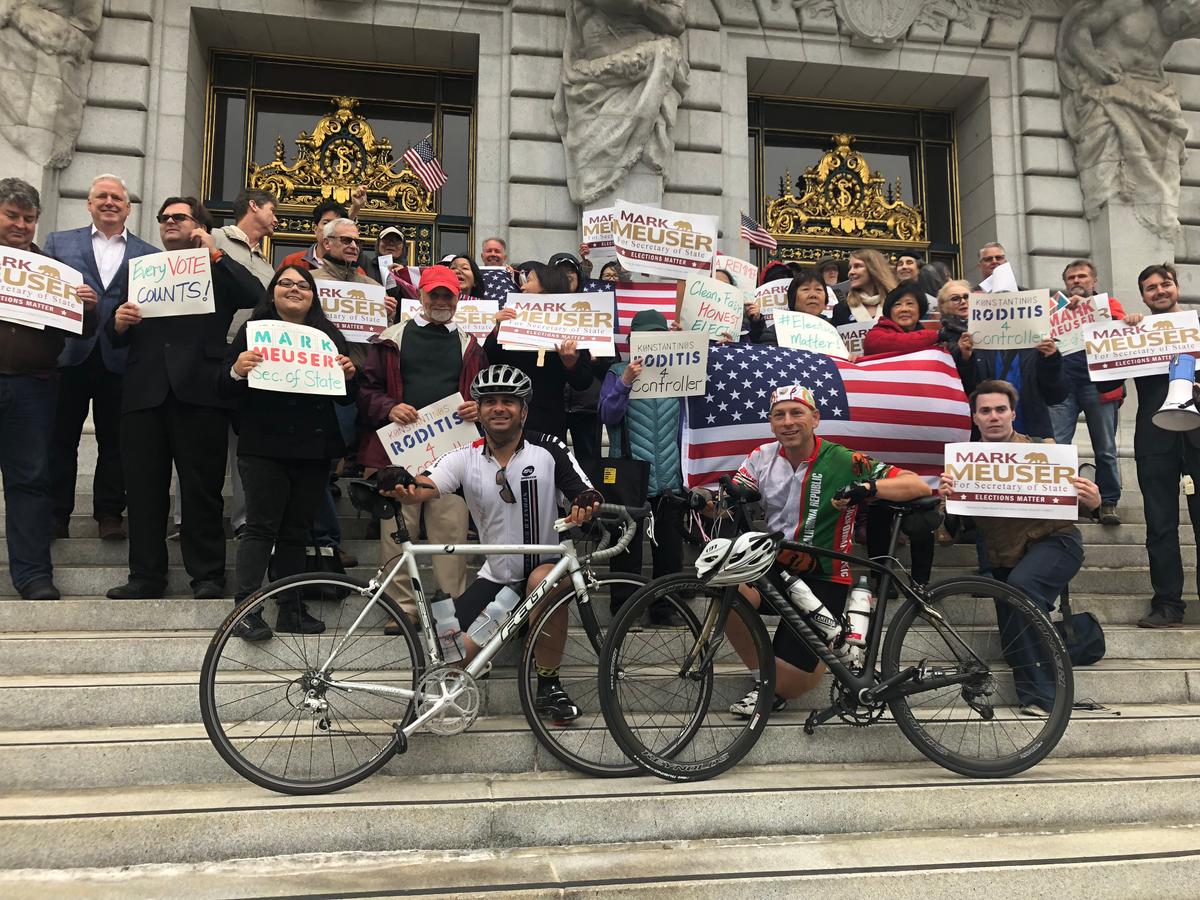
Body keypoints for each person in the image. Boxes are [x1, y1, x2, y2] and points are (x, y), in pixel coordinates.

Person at [385, 364, 601, 723]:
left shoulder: (548, 449)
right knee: (452, 657)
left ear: (524, 411)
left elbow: (586, 491)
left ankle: (549, 685)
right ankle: (511, 626)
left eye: (508, 402)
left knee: (543, 581)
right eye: (490, 402)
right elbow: (426, 486)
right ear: (479, 411)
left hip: (543, 570)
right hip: (496, 577)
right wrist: (401, 483)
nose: (499, 408)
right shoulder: (464, 456)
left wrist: (585, 505)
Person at [726, 384, 931, 716]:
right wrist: (707, 501)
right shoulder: (761, 457)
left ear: (815, 419)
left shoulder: (844, 459)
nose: (788, 422)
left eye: (797, 413)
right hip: (777, 569)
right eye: (779, 415)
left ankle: (824, 650)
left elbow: (916, 484)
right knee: (727, 589)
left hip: (825, 575)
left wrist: (869, 487)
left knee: (794, 685)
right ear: (771, 423)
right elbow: (738, 493)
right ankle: (766, 682)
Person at [104, 196, 266, 600]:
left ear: (200, 225)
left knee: (200, 490)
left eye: (179, 217)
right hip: (145, 393)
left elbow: (254, 294)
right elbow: (111, 332)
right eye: (164, 218)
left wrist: (215, 253)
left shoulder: (218, 267)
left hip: (201, 391)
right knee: (143, 490)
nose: (170, 222)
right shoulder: (140, 270)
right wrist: (118, 324)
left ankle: (208, 575)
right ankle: (145, 576)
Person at [940, 380, 1101, 715]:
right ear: (975, 418)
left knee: (1022, 589)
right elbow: (952, 530)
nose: (994, 416)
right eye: (986, 411)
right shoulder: (963, 464)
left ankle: (1045, 697)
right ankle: (1035, 692)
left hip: (1056, 542)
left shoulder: (1043, 451)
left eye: (1001, 409)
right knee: (1013, 636)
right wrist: (948, 502)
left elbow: (1078, 506)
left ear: (1013, 413)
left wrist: (1093, 502)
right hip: (1004, 556)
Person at [221, 265, 358, 641]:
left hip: (312, 448)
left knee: (297, 531)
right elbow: (223, 386)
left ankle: (291, 608)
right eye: (286, 283)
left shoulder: (328, 334)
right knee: (261, 526)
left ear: (313, 296)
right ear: (272, 292)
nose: (294, 289)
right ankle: (246, 610)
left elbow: (346, 394)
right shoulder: (252, 331)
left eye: (303, 285)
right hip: (263, 445)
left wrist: (349, 373)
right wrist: (236, 370)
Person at [358, 265, 486, 625]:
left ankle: (453, 607)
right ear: (421, 296)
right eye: (435, 294)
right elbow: (366, 391)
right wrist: (389, 407)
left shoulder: (471, 345)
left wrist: (478, 406)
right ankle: (401, 610)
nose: (442, 301)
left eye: (449, 294)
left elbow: (486, 394)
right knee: (397, 532)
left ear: (459, 298)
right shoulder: (391, 338)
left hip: (454, 451)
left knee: (451, 533)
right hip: (400, 451)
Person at [43, 173, 158, 541]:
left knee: (116, 441)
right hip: (70, 355)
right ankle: (56, 514)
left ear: (128, 207)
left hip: (121, 358)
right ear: (89, 204)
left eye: (117, 198)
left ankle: (110, 513)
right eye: (101, 197)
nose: (109, 202)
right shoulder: (58, 243)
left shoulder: (150, 256)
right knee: (61, 438)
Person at [0, 177, 99, 599]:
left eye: (29, 218)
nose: (21, 224)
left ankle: (33, 575)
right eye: (12, 216)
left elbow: (82, 331)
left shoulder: (54, 271)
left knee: (30, 481)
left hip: (33, 389)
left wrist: (89, 307)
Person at [598, 309, 685, 621]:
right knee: (625, 551)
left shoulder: (681, 371)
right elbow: (607, 416)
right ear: (633, 340)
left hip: (670, 476)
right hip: (630, 474)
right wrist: (624, 383)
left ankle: (667, 610)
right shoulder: (616, 371)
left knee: (670, 552)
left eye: (658, 336)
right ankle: (623, 611)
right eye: (645, 336)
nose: (652, 342)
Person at [1128, 263, 1200, 628]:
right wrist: (1124, 331)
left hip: (1197, 435)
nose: (1158, 291)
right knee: (1159, 525)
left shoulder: (1199, 328)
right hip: (1155, 437)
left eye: (1164, 284)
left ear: (1177, 287)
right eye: (1150, 287)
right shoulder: (1132, 332)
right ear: (1142, 295)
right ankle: (1168, 605)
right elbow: (1097, 379)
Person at [213, 189, 278, 541]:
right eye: (272, 210)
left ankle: (242, 520)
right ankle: (183, 519)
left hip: (254, 360)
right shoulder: (214, 238)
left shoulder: (268, 265)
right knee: (205, 440)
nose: (276, 218)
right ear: (253, 206)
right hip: (214, 351)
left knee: (244, 444)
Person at [1048, 259, 1127, 526]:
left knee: (1105, 448)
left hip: (1098, 385)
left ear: (1094, 282)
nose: (1077, 281)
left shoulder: (1108, 305)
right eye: (1071, 278)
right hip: (1063, 387)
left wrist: (1092, 310)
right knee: (1057, 446)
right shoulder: (1054, 309)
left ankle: (1108, 501)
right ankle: (1059, 498)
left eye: (1082, 277)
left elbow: (1122, 328)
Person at [487, 264, 593, 441]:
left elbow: (583, 382)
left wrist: (571, 364)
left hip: (548, 421)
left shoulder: (572, 325)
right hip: (508, 417)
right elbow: (488, 362)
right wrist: (496, 330)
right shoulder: (510, 319)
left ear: (546, 285)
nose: (522, 286)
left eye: (528, 281)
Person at [746, 267, 828, 344]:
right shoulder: (776, 332)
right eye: (805, 289)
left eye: (818, 289)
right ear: (793, 297)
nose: (813, 295)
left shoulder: (834, 329)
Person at [830, 248, 897, 326]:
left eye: (857, 266)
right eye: (850, 267)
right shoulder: (841, 309)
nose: (850, 272)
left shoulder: (896, 304)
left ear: (874, 269)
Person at [278, 198, 349, 272]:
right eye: (326, 223)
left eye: (336, 224)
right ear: (315, 228)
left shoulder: (351, 269)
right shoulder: (291, 262)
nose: (330, 229)